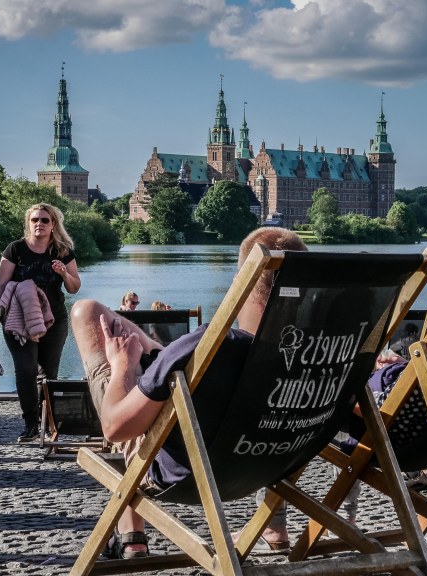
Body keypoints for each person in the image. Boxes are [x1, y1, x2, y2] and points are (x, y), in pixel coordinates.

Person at [70, 227, 306, 558]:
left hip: (186, 475)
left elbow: (116, 428)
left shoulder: (212, 344)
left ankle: (130, 533)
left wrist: (122, 366)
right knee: (136, 340)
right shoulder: (325, 352)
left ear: (242, 277)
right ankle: (132, 533)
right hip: (270, 465)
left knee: (86, 313)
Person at [0, 203, 81, 443]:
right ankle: (30, 423)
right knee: (26, 370)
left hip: (55, 320)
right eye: (35, 220)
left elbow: (74, 288)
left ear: (53, 224)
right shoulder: (15, 250)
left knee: (48, 374)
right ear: (28, 223)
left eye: (44, 220)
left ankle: (46, 421)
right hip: (18, 319)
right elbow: (1, 285)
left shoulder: (63, 251)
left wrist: (64, 273)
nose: (39, 224)